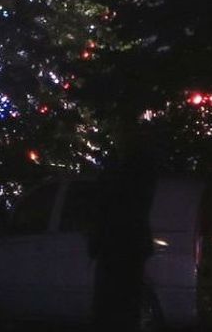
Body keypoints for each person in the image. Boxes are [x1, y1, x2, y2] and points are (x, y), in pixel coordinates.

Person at [90, 126, 157, 331]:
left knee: (114, 305)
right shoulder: (140, 174)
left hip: (116, 249)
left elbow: (107, 210)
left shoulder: (120, 176)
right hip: (127, 248)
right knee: (125, 304)